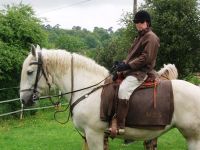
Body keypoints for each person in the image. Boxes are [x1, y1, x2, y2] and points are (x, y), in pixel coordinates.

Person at [113, 10, 160, 134]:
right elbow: (132, 56)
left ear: (147, 23)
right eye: (136, 22)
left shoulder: (151, 37)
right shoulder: (140, 37)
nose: (138, 24)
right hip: (132, 70)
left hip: (141, 72)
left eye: (141, 22)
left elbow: (146, 58)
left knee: (123, 90)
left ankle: (120, 125)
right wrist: (121, 65)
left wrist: (127, 65)